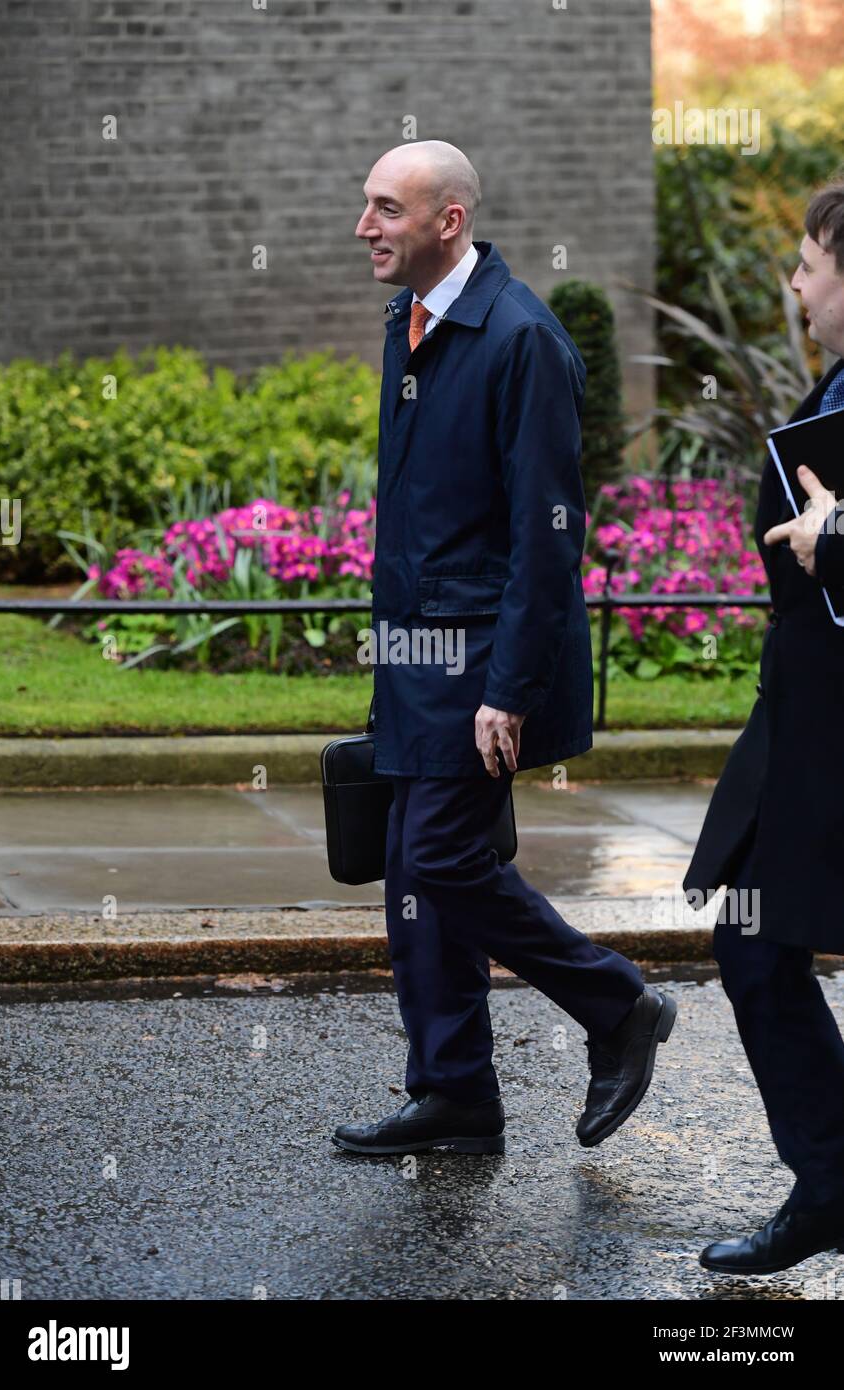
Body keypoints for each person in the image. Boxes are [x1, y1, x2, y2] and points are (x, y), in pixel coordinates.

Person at [332, 139, 676, 1158]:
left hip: (478, 662)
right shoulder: (410, 320)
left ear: (448, 221)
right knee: (409, 867)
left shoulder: (521, 339)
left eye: (386, 209)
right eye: (365, 205)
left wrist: (509, 689)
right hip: (415, 652)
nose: (364, 227)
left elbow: (545, 529)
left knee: (440, 855)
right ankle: (452, 1094)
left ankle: (615, 1005)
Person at [684, 177, 844, 1275]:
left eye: (805, 264)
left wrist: (831, 540)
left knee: (752, 938)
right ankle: (831, 1176)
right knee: (748, 932)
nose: (792, 282)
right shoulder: (834, 382)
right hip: (801, 720)